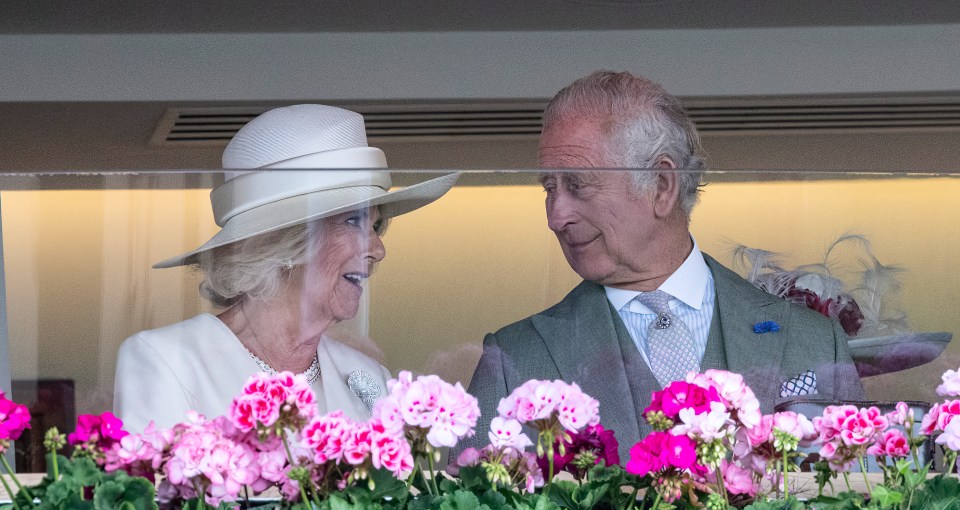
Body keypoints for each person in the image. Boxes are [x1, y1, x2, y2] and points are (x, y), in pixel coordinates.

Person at [458, 71, 864, 463]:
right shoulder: (515, 359)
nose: (556, 215)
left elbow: (859, 506)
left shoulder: (813, 341)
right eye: (549, 188)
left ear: (662, 186)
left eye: (577, 184)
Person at [114, 104, 457, 432]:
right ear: (287, 244)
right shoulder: (168, 361)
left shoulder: (369, 378)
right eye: (354, 221)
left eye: (376, 228)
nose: (378, 249)